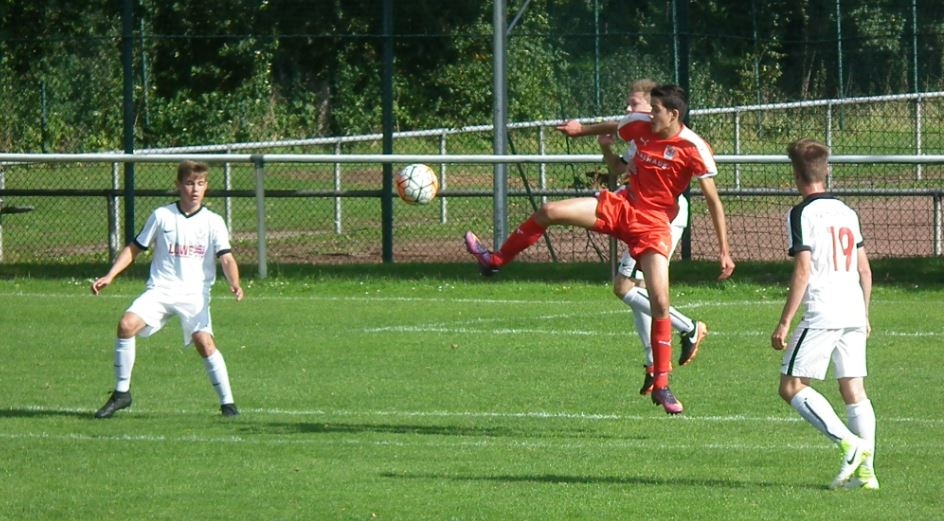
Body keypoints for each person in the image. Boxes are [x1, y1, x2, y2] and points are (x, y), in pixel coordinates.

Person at [465, 84, 735, 414]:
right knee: (550, 211)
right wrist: (580, 131)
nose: (649, 115)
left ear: (673, 114)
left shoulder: (693, 147)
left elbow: (713, 201)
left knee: (660, 302)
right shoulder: (641, 125)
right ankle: (494, 260)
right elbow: (615, 127)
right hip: (621, 206)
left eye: (656, 110)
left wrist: (724, 250)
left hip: (654, 225)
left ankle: (662, 386)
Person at [557, 79, 707, 396]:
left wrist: (583, 130)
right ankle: (655, 361)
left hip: (661, 219)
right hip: (639, 214)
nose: (629, 110)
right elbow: (617, 168)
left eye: (635, 104)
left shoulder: (666, 136)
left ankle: (687, 329)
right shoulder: (640, 136)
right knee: (631, 291)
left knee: (626, 288)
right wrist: (604, 147)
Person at [90, 160, 244, 418]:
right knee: (126, 325)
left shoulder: (213, 221)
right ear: (178, 185)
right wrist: (110, 275)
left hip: (194, 295)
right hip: (160, 291)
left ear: (206, 186)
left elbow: (226, 258)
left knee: (204, 343)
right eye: (189, 183)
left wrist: (234, 282)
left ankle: (228, 405)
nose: (195, 189)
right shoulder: (162, 216)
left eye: (201, 184)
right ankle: (121, 393)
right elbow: (134, 248)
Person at [770, 138, 878, 490]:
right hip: (853, 308)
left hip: (823, 311)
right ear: (825, 170)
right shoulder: (847, 212)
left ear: (796, 175)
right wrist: (864, 314)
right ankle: (867, 475)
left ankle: (849, 444)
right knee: (854, 389)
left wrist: (785, 321)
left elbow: (803, 270)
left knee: (791, 386)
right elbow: (865, 270)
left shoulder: (802, 214)